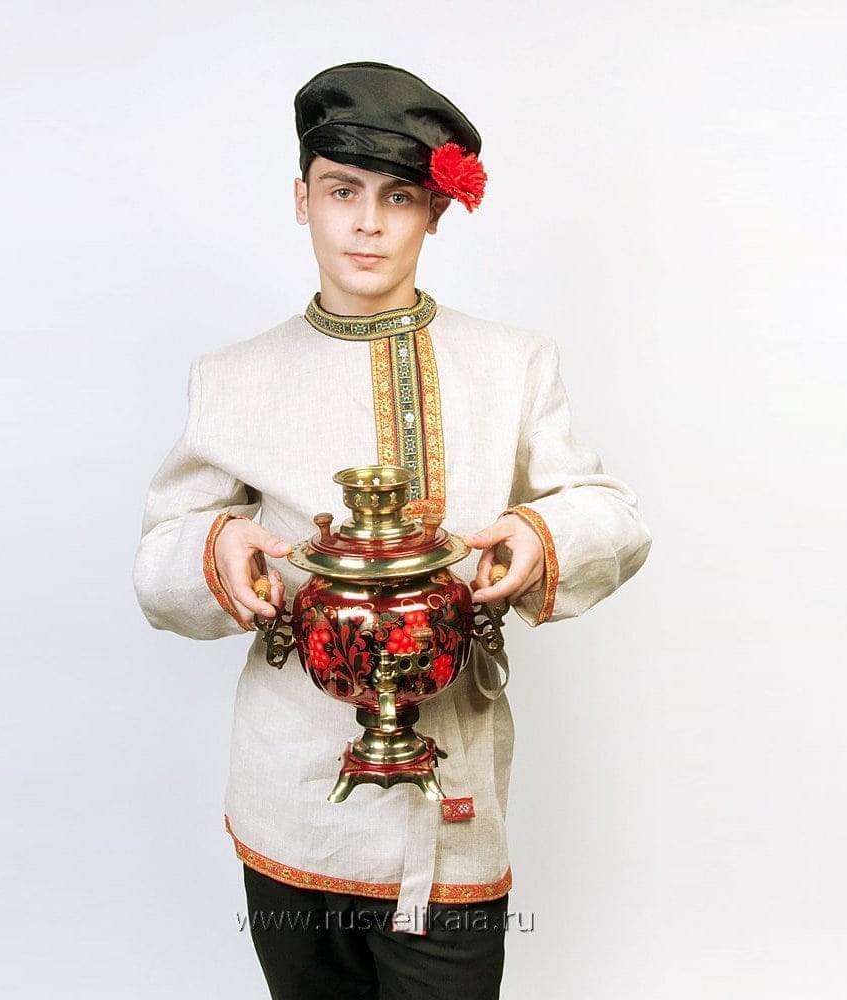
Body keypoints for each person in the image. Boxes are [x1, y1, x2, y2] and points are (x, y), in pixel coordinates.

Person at [132, 61, 652, 1000]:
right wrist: (217, 550)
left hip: (453, 800)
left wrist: (539, 533)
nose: (367, 223)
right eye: (342, 191)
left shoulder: (511, 363)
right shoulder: (234, 377)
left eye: (398, 197)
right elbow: (160, 558)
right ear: (303, 200)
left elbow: (612, 514)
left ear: (434, 212)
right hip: (293, 793)